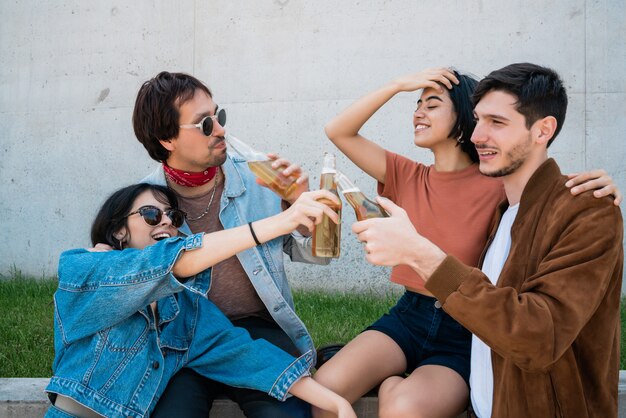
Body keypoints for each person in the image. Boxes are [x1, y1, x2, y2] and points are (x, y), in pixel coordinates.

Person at [312, 67, 622, 418]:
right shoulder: (421, 178)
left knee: (403, 405)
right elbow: (338, 131)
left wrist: (590, 189)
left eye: (496, 122)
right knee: (324, 390)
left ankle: (393, 384)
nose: (480, 134)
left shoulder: (513, 190)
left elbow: (542, 191)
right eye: (479, 120)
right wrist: (398, 84)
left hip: (468, 324)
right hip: (412, 315)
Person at [45, 183, 355, 418]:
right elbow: (171, 261)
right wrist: (284, 220)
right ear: (119, 230)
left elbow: (245, 353)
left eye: (173, 216)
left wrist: (336, 403)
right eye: (152, 214)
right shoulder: (83, 269)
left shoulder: (186, 309)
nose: (166, 222)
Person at [132, 71, 329, 417]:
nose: (221, 129)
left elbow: (316, 257)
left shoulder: (259, 179)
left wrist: (297, 208)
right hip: (184, 339)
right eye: (205, 124)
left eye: (219, 116)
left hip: (259, 331)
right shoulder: (142, 207)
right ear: (167, 139)